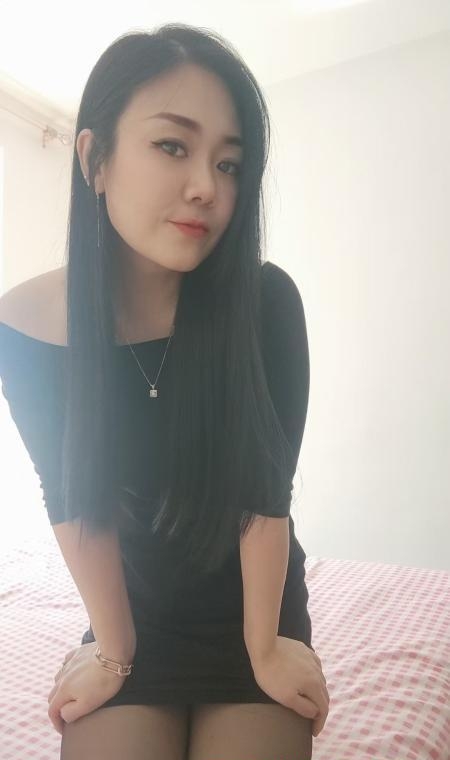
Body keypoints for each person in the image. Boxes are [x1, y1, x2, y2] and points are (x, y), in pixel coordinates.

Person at [0, 23, 329, 760]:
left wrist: (266, 648)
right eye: (173, 146)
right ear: (96, 159)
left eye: (230, 163)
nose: (207, 186)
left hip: (252, 610)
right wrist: (114, 652)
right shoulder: (26, 324)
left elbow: (263, 493)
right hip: (133, 612)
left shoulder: (264, 302)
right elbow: (71, 495)